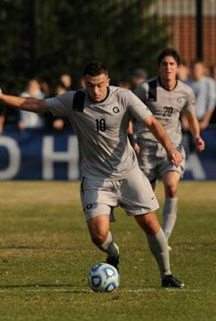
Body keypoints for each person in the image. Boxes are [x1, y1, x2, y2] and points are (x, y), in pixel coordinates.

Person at [0, 60, 184, 288]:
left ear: (108, 81)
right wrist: (3, 97)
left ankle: (166, 275)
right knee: (98, 235)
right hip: (96, 177)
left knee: (149, 223)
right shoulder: (75, 100)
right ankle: (114, 254)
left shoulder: (124, 97)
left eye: (99, 85)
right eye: (90, 85)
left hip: (128, 173)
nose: (95, 91)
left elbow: (152, 123)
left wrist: (170, 149)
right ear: (83, 83)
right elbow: (37, 104)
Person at [132, 48, 205, 249]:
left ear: (178, 68)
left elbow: (191, 117)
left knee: (172, 185)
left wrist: (197, 135)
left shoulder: (186, 92)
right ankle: (154, 234)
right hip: (146, 147)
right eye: (164, 64)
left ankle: (164, 236)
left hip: (172, 148)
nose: (168, 68)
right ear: (159, 67)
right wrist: (132, 139)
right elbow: (130, 115)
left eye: (172, 64)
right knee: (147, 198)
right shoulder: (145, 89)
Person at [186, 60, 216, 131]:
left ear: (203, 70)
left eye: (198, 69)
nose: (196, 71)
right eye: (194, 69)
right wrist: (185, 119)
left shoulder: (209, 83)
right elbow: (184, 103)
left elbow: (211, 104)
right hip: (189, 120)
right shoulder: (187, 83)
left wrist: (205, 121)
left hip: (203, 121)